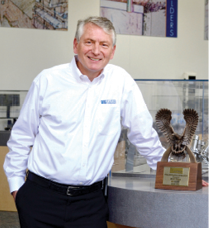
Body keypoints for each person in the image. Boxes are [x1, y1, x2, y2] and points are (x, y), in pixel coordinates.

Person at [4, 16, 167, 228]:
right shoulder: (47, 80)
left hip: (90, 204)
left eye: (104, 44)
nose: (96, 51)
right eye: (89, 42)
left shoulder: (121, 82)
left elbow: (144, 135)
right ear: (75, 44)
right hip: (40, 199)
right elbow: (21, 136)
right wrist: (18, 190)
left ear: (113, 51)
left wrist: (178, 173)